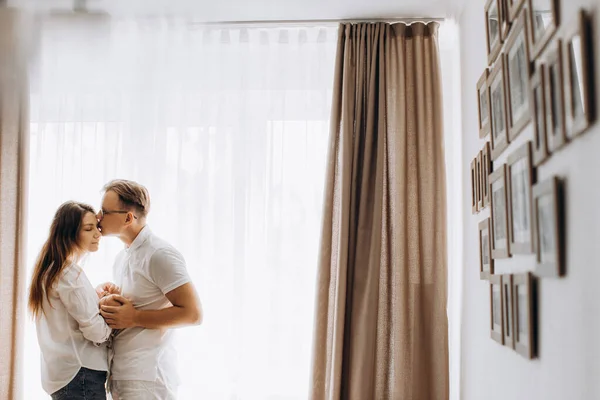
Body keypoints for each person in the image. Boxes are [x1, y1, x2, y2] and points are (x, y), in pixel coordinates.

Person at [96, 179, 203, 399]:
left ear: (128, 218)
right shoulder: (121, 258)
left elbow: (193, 314)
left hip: (147, 377)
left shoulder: (159, 254)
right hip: (122, 374)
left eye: (105, 211)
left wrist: (134, 317)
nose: (98, 217)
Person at [28, 201, 112, 399]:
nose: (98, 234)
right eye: (89, 229)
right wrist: (114, 311)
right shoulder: (68, 274)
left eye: (97, 228)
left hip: (65, 374)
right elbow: (97, 332)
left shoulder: (51, 271)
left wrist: (95, 298)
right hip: (80, 373)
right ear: (69, 233)